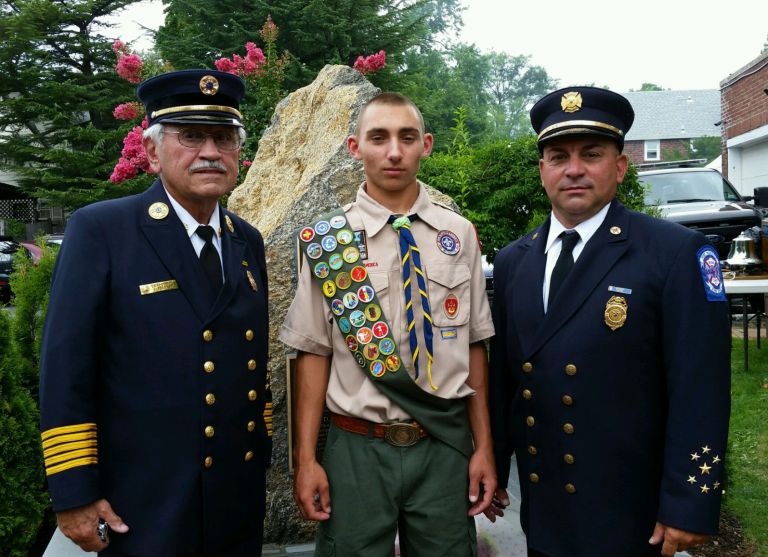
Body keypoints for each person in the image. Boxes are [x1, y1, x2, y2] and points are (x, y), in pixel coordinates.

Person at [486, 86, 731, 557]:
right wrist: (495, 463)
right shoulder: (515, 260)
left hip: (628, 512)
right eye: (558, 156)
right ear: (542, 172)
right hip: (545, 503)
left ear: (620, 166)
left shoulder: (674, 253)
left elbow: (701, 389)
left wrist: (691, 503)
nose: (573, 169)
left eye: (591, 154)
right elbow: (506, 379)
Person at [39, 69, 271, 556]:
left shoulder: (247, 240)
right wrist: (75, 493)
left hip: (234, 498)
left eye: (224, 138)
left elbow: (248, 370)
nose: (210, 152)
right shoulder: (103, 231)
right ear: (150, 152)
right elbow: (66, 371)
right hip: (143, 503)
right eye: (191, 137)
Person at [280, 92, 496, 556]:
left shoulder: (457, 235)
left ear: (427, 145)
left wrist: (484, 447)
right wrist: (305, 460)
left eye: (407, 137)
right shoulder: (329, 241)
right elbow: (312, 354)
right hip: (357, 449)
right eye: (378, 138)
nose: (394, 151)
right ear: (355, 147)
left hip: (443, 446)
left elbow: (476, 345)